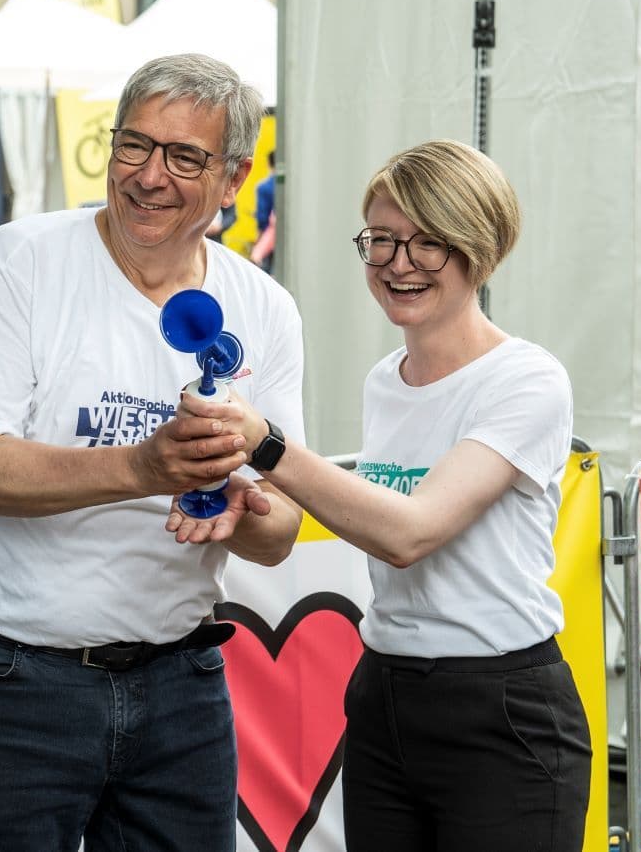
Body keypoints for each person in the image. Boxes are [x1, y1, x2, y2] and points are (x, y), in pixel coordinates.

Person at [0, 52, 307, 852]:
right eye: (133, 145)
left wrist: (240, 507)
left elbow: (280, 536)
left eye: (183, 157)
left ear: (233, 179)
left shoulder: (263, 306)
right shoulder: (19, 261)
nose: (148, 176)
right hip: (9, 684)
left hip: (181, 682)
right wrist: (144, 468)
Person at [175, 139, 592, 851]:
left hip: (500, 709)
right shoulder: (383, 380)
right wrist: (252, 497)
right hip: (384, 695)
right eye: (381, 240)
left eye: (427, 243)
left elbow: (409, 532)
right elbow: (367, 517)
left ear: (478, 249)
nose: (398, 264)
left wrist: (265, 444)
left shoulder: (526, 380)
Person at [253, 148, 277, 271]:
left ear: (269, 163)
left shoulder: (264, 187)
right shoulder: (291, 186)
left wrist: (259, 238)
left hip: (268, 238)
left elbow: (262, 218)